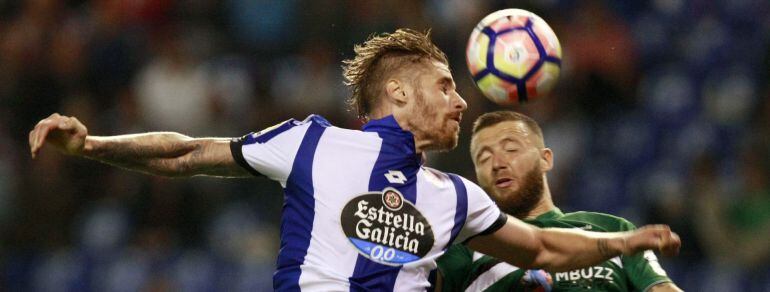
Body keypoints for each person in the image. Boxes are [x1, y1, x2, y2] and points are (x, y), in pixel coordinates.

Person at [28, 29, 680, 291]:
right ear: (398, 92)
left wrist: (623, 243)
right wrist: (92, 146)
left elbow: (540, 249)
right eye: (446, 84)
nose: (460, 101)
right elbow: (190, 152)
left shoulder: (456, 196)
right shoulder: (313, 141)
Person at [436, 111, 683, 291]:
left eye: (511, 149)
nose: (498, 163)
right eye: (484, 158)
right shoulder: (467, 247)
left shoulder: (613, 230)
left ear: (546, 159)